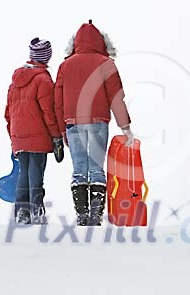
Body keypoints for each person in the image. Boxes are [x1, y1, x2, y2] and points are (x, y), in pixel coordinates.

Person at [54, 20, 134, 226]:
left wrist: (62, 129)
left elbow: (58, 101)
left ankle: (82, 215)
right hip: (99, 122)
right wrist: (125, 127)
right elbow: (116, 97)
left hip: (73, 123)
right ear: (102, 42)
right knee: (97, 168)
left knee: (79, 168)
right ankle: (95, 216)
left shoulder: (65, 65)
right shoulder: (106, 63)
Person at [5, 38, 64, 225]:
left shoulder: (14, 83)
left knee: (24, 173)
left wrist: (13, 138)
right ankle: (36, 210)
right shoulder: (43, 80)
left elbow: (8, 114)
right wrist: (56, 136)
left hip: (19, 136)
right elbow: (49, 112)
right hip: (38, 135)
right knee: (36, 174)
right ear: (46, 57)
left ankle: (22, 211)